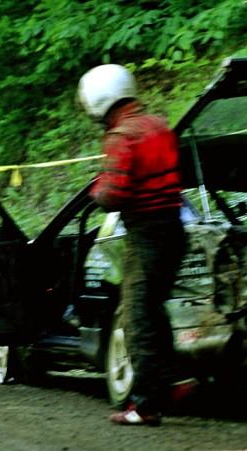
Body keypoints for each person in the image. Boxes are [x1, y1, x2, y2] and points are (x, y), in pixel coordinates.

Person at [77, 64, 187, 426]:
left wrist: (96, 188)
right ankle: (169, 383)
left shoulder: (122, 136)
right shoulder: (159, 125)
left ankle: (144, 405)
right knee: (154, 310)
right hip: (174, 229)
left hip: (147, 234)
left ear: (97, 99)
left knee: (137, 316)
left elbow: (113, 196)